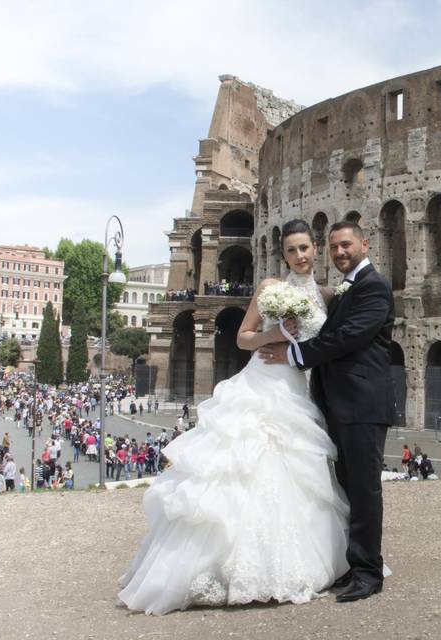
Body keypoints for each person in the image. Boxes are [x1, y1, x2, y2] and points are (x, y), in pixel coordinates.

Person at [119, 220, 350, 615]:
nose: (300, 256)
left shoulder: (326, 295)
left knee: (297, 469)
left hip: (300, 386)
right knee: (248, 461)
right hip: (265, 380)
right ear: (283, 256)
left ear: (316, 250)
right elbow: (244, 336)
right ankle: (230, 565)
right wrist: (271, 337)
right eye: (292, 250)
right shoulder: (270, 289)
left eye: (305, 248)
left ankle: (298, 559)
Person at [260, 220, 396, 604]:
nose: (340, 252)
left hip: (362, 402)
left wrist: (294, 353)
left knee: (365, 490)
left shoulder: (374, 287)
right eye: (335, 246)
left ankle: (369, 573)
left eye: (346, 245)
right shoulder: (347, 287)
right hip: (341, 402)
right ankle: (357, 564)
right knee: (350, 487)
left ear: (365, 244)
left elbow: (347, 337)